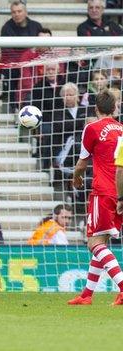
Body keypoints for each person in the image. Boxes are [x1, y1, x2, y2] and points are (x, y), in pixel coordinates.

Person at [69, 90, 123, 305]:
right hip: (120, 193)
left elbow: (82, 163)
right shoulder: (122, 129)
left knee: (93, 243)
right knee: (102, 241)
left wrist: (75, 177)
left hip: (103, 191)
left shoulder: (91, 128)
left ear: (95, 108)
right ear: (115, 108)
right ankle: (87, 295)